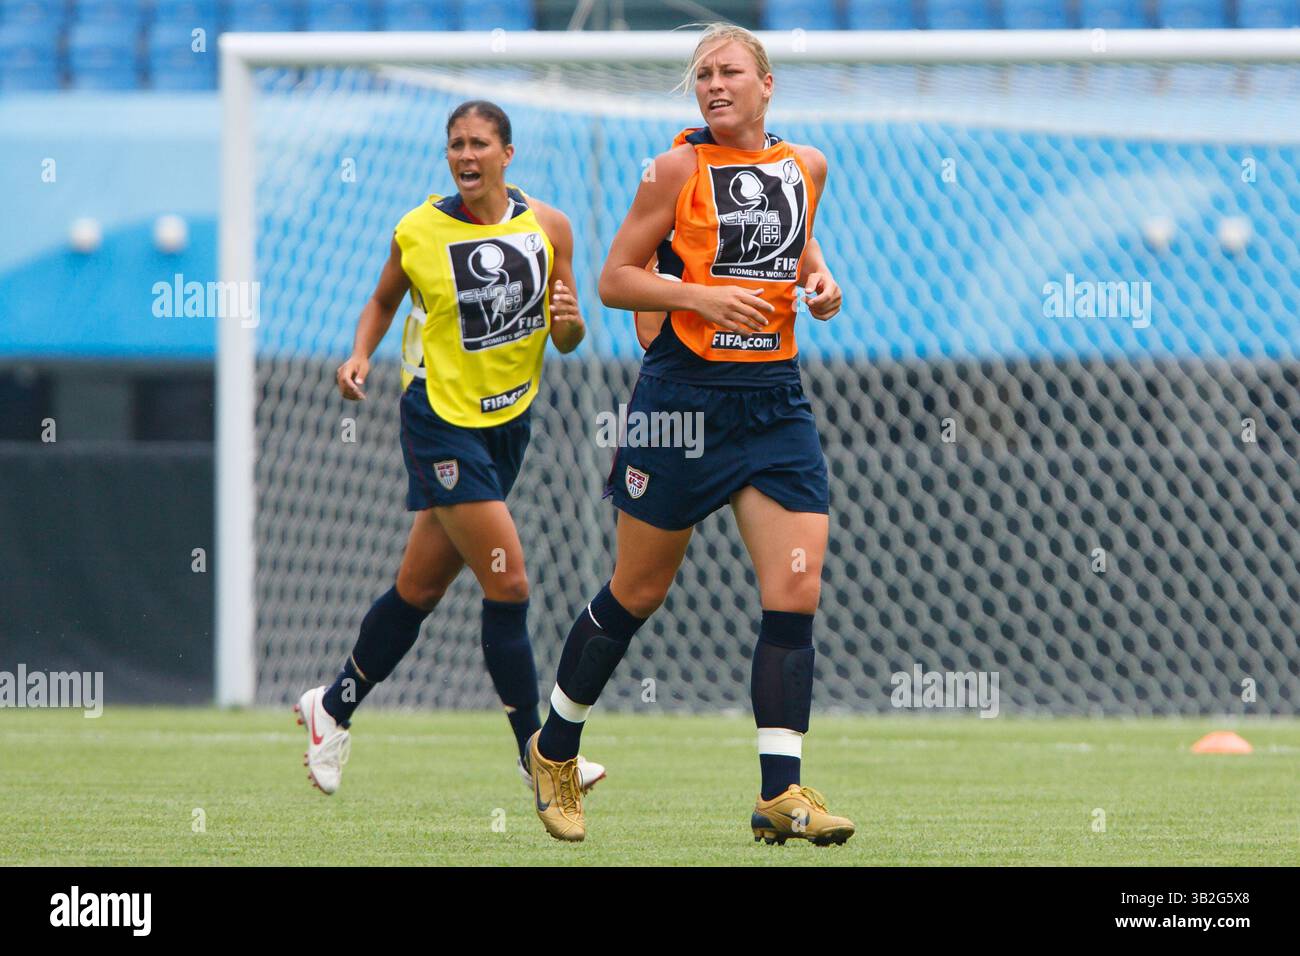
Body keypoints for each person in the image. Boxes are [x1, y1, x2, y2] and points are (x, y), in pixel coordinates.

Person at [526, 24, 855, 846]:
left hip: (776, 403)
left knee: (796, 589)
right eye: (701, 74)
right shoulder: (676, 169)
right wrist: (699, 298)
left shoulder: (805, 166)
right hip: (683, 401)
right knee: (638, 591)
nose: (712, 84)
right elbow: (613, 279)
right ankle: (555, 749)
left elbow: (794, 243)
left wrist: (820, 279)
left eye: (728, 71)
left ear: (767, 82)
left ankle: (780, 794)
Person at [295, 100, 605, 799]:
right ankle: (540, 759)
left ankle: (333, 706)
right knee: (510, 582)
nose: (466, 157)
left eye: (479, 144)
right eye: (456, 145)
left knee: (419, 589)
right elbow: (381, 299)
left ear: (507, 154)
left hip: (507, 423)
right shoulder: (418, 229)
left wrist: (573, 323)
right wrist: (358, 356)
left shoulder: (549, 227)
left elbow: (567, 337)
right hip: (438, 421)